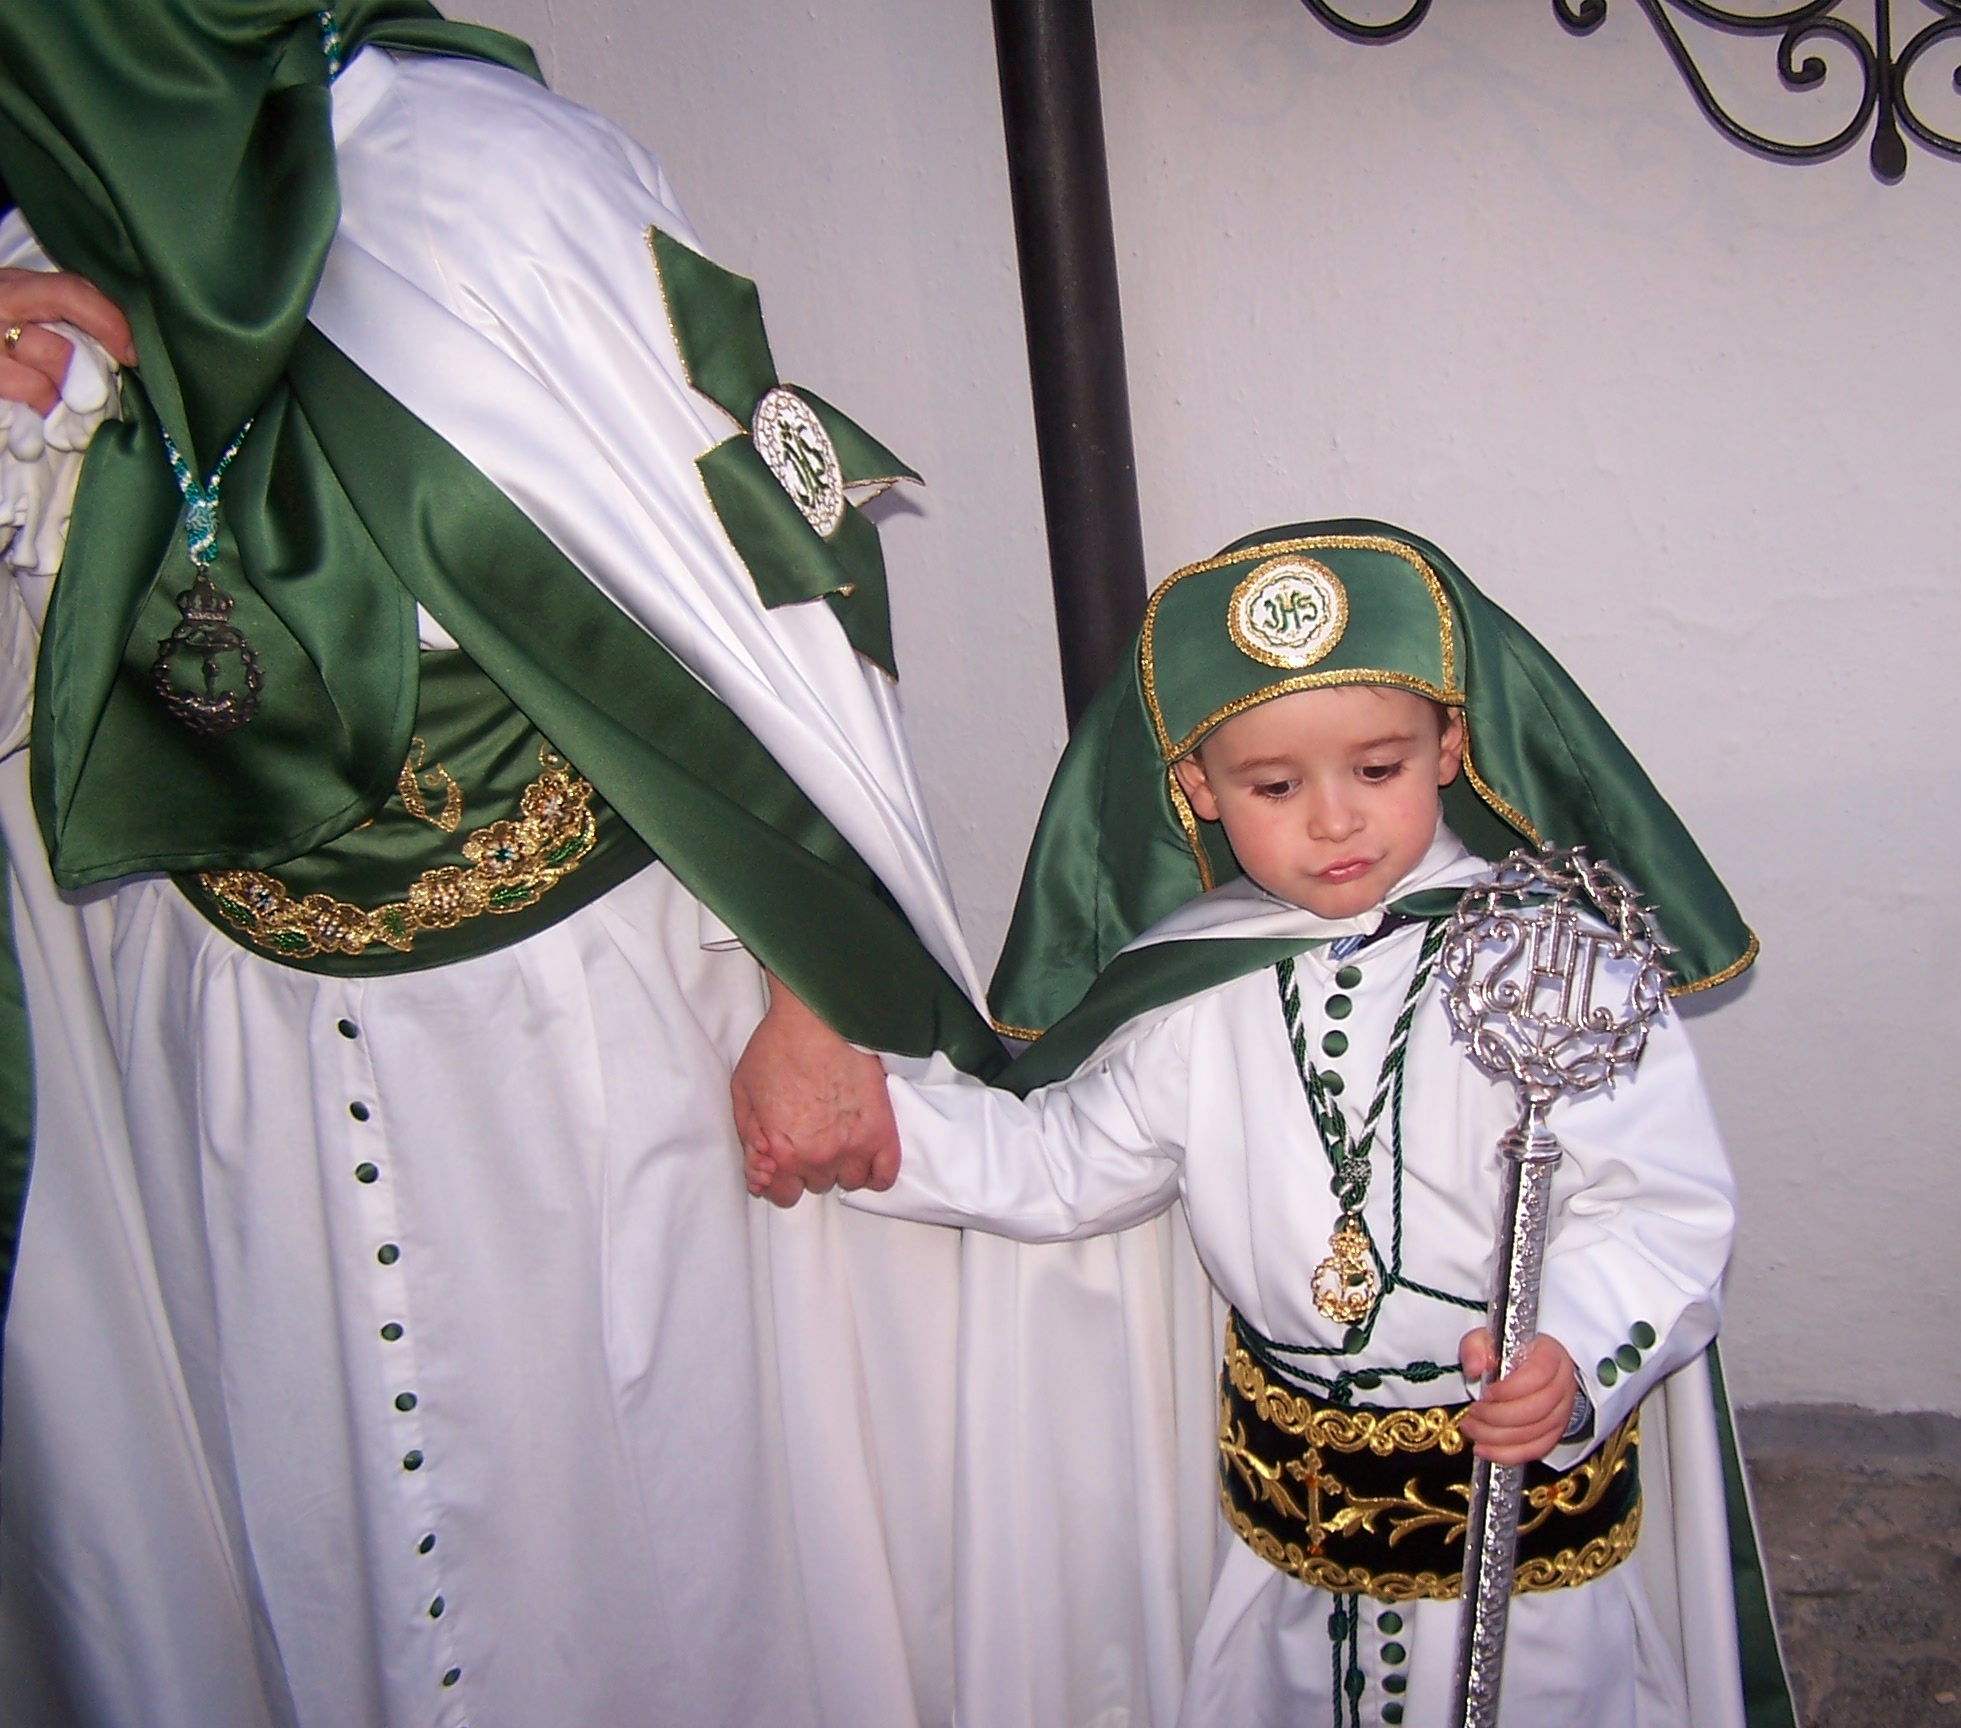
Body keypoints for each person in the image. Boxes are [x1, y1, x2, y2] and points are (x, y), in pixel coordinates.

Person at [0, 8, 1206, 1726]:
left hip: (595, 1021)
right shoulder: (36, 249)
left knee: (670, 1510)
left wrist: (818, 992)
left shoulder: (493, 182)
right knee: (313, 1495)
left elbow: (763, 586)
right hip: (228, 1039)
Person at [747, 524, 1797, 1726]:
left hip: (1522, 1546)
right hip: (1290, 1550)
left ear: (1450, 744)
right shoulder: (1194, 992)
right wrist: (872, 1132)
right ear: (1197, 787)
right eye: (1276, 786)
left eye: (1379, 768)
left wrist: (1574, 1356)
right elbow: (1063, 1167)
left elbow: (1660, 1211)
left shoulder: (1562, 971)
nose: (1336, 822)